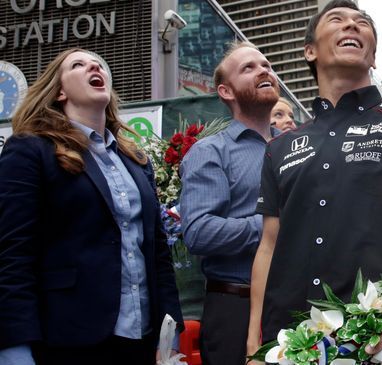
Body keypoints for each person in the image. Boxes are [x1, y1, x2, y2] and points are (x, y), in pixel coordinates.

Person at [246, 1, 382, 364]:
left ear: (373, 57)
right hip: (289, 342)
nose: (353, 26)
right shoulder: (279, 148)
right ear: (310, 51)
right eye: (337, 20)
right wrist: (254, 342)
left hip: (379, 335)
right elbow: (268, 246)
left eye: (362, 23)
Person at [0, 48, 183, 365]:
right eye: (78, 65)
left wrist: (170, 332)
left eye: (98, 63)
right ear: (58, 91)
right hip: (67, 339)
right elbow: (12, 254)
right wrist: (14, 347)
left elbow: (158, 257)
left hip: (140, 339)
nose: (94, 66)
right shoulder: (30, 149)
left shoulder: (136, 161)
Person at [179, 40, 280, 365]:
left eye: (265, 64)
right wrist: (271, 226)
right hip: (235, 308)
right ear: (226, 91)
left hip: (302, 300)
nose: (263, 70)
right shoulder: (210, 152)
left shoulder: (299, 148)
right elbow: (198, 232)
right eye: (248, 68)